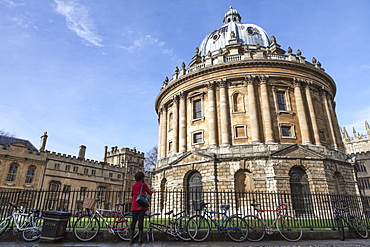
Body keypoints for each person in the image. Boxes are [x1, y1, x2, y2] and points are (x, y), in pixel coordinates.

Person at [130, 171, 153, 243]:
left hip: (134, 204)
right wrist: (153, 191)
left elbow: (132, 194)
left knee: (133, 221)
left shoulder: (133, 185)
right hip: (141, 205)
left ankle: (131, 238)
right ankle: (140, 239)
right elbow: (150, 192)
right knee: (140, 221)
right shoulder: (144, 184)